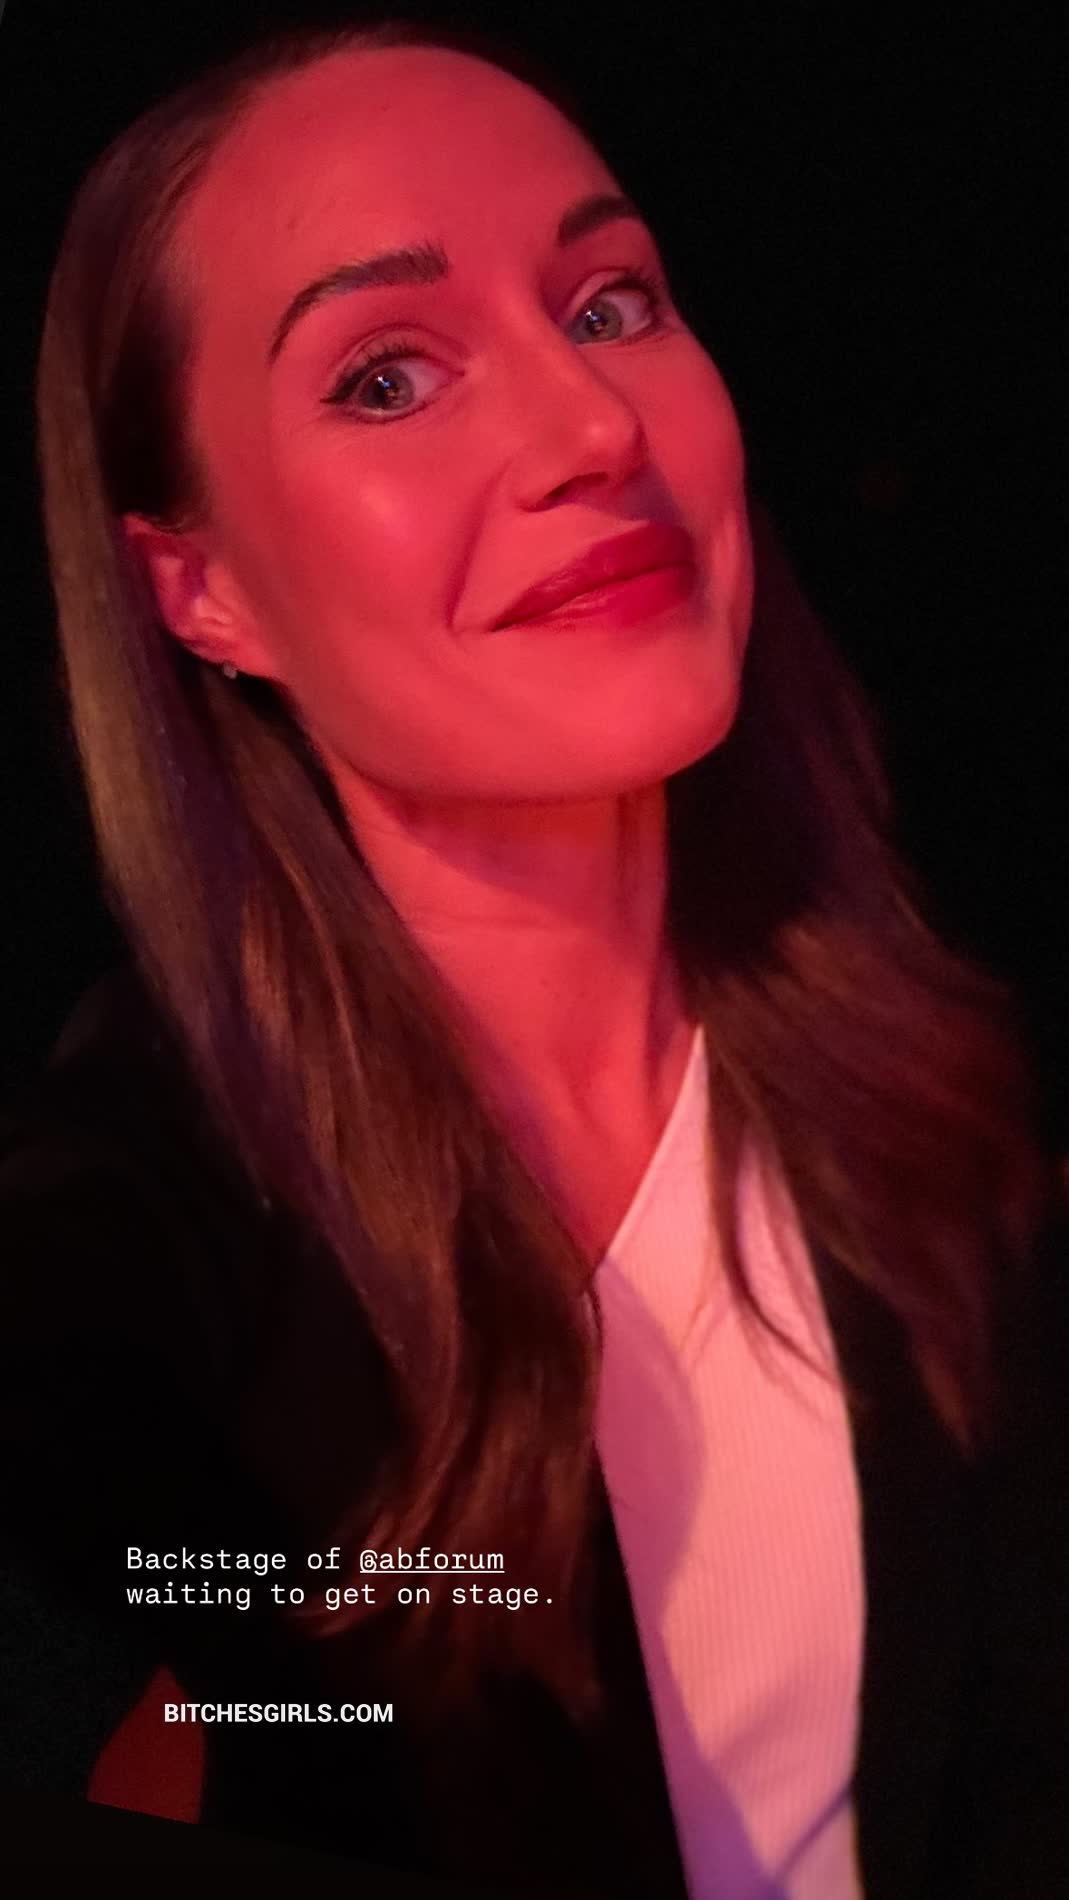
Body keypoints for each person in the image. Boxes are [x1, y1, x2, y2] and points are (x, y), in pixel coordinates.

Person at [3, 13, 1068, 1897]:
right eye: (386, 377)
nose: (592, 430)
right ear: (205, 589)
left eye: (609, 305)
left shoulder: (951, 1089)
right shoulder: (151, 1211)